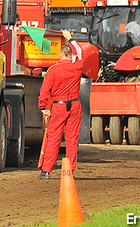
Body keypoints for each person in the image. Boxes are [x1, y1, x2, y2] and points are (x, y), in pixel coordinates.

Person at [37, 29, 84, 179]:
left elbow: (44, 91)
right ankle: (69, 172)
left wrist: (43, 107)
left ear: (61, 55)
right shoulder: (77, 66)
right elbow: (80, 52)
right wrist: (70, 38)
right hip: (75, 105)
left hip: (59, 106)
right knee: (72, 139)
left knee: (53, 138)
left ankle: (46, 171)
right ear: (71, 56)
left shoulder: (53, 70)